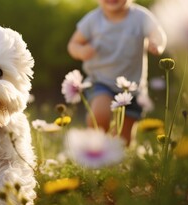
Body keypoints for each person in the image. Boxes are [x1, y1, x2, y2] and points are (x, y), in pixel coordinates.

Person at [67, 0, 167, 145]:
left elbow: (158, 33)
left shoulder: (141, 17)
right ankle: (94, 150)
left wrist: (157, 43)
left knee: (123, 140)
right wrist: (80, 51)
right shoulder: (93, 19)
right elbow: (73, 44)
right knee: (99, 114)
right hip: (101, 81)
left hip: (133, 87)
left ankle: (115, 162)